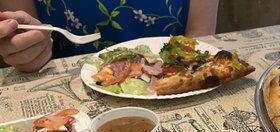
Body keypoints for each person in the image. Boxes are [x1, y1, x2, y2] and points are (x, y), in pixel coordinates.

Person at [0, 0, 219, 72]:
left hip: (174, 79)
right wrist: (28, 49)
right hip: (65, 85)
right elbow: (24, 34)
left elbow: (199, 40)